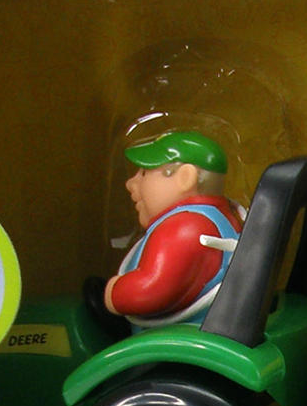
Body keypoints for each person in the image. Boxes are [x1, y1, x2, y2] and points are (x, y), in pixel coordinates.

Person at [103, 130, 246, 327]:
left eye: (143, 174)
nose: (130, 183)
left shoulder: (183, 229)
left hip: (173, 334)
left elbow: (151, 289)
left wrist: (114, 293)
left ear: (185, 178)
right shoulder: (225, 213)